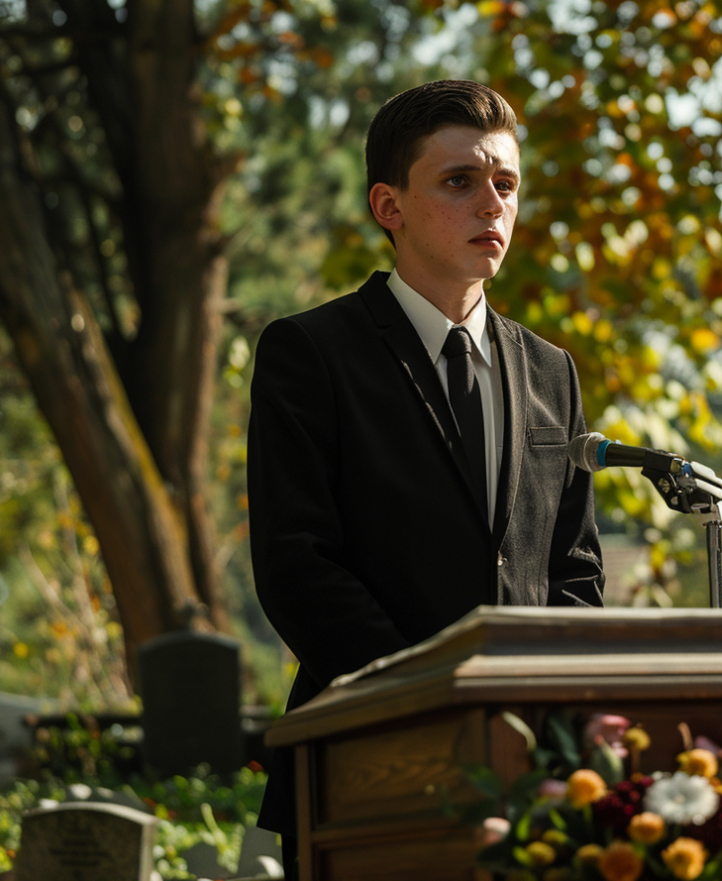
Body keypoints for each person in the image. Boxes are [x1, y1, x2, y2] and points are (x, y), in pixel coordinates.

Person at [246, 79, 605, 871]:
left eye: (505, 183)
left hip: (530, 781)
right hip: (365, 763)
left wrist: (544, 724)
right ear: (388, 206)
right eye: (459, 181)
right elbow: (297, 565)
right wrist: (434, 706)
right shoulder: (310, 353)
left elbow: (574, 573)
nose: (492, 204)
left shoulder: (552, 372)